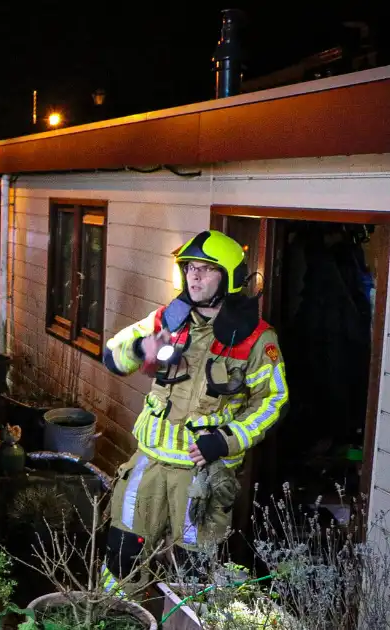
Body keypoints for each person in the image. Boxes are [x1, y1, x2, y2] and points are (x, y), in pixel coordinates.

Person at [99, 230, 289, 596]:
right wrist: (142, 347)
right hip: (148, 463)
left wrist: (227, 441)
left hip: (201, 474)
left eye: (205, 269)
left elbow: (273, 402)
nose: (194, 277)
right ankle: (116, 617)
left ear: (230, 277)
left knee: (194, 574)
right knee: (120, 558)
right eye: (190, 268)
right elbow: (112, 354)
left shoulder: (257, 338)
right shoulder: (168, 318)